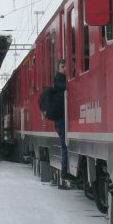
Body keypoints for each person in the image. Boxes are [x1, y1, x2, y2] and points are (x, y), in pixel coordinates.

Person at [52, 59, 69, 188]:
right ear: (58, 69)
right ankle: (64, 172)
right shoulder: (60, 81)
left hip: (61, 119)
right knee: (64, 145)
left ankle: (64, 171)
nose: (65, 69)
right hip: (62, 119)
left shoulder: (59, 80)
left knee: (64, 145)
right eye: (63, 67)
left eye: (66, 66)